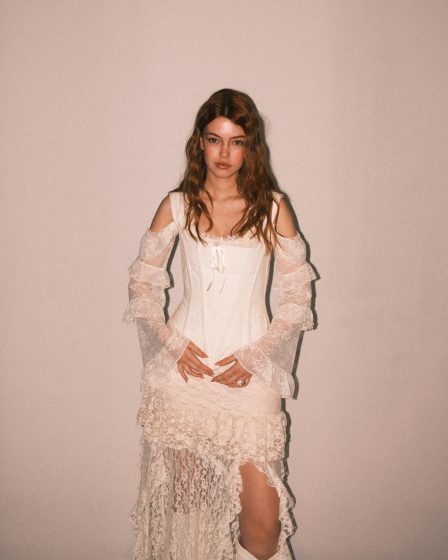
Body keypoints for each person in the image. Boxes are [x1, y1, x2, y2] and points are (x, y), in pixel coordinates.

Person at [122, 88, 318, 560]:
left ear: (251, 147)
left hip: (249, 377)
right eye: (215, 140)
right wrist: (171, 344)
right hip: (185, 381)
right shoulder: (177, 205)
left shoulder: (272, 207)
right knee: (191, 520)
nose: (224, 153)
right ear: (200, 143)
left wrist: (256, 357)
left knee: (263, 529)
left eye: (236, 141)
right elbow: (142, 287)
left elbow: (297, 298)